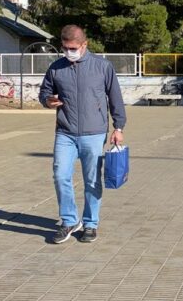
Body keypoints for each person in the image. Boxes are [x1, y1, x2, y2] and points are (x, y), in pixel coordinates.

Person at [39, 25, 127, 244]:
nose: (69, 51)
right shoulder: (56, 68)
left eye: (73, 48)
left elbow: (115, 98)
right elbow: (44, 93)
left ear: (84, 45)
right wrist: (48, 101)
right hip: (65, 132)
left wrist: (119, 127)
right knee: (60, 175)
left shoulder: (102, 67)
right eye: (66, 48)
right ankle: (69, 220)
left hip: (94, 133)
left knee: (92, 180)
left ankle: (90, 224)